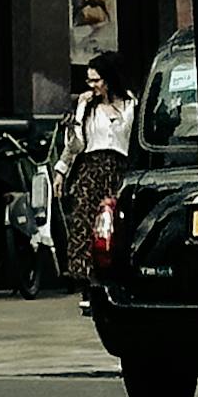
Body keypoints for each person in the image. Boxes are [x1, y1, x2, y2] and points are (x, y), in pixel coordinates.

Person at [60, 56, 134, 285]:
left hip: (121, 168)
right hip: (92, 169)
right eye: (89, 80)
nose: (92, 86)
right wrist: (61, 170)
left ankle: (119, 275)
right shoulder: (86, 106)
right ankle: (88, 282)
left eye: (96, 80)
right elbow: (76, 144)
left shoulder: (131, 103)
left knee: (118, 225)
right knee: (85, 223)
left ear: (109, 80)